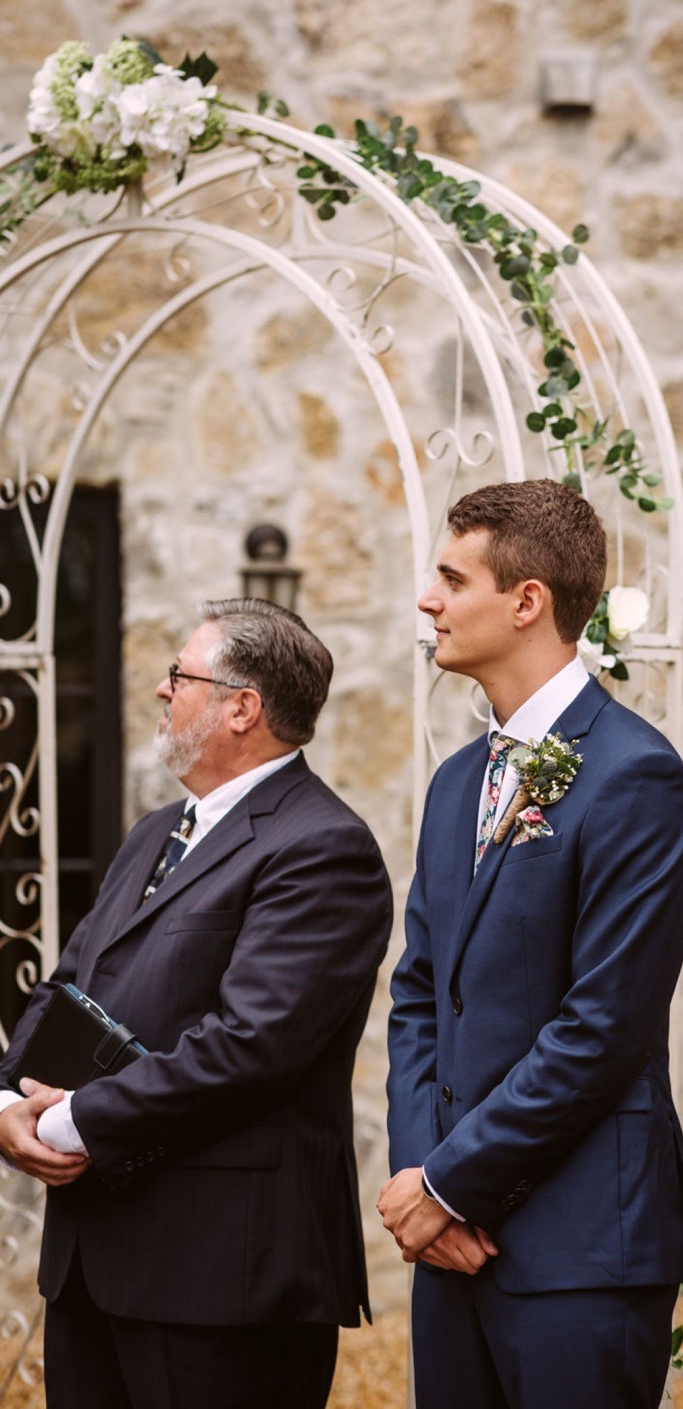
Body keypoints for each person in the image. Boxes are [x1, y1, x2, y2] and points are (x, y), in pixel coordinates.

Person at [0, 597, 393, 1409]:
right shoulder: (154, 832)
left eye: (179, 675)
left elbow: (249, 1044)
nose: (158, 689)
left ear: (241, 707)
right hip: (94, 1262)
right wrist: (9, 1096)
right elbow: (69, 983)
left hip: (221, 1276)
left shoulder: (322, 848)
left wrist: (70, 1121)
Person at [379, 479, 683, 1409]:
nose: (427, 598)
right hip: (453, 1250)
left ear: (527, 601)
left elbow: (600, 1029)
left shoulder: (636, 777)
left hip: (580, 1249)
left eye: (451, 576)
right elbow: (419, 995)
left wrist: (448, 1182)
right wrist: (420, 1184)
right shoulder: (454, 785)